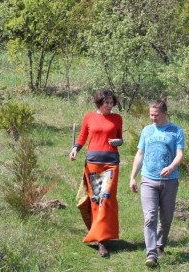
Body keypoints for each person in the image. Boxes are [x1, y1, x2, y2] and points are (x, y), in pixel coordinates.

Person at [129, 99, 185, 268]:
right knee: (150, 216)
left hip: (170, 181)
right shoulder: (147, 131)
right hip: (148, 179)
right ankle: (151, 253)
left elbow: (180, 154)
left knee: (166, 218)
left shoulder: (176, 131)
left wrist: (171, 166)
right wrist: (133, 176)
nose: (153, 117)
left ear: (165, 114)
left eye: (156, 115)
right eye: (151, 114)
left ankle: (160, 245)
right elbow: (140, 154)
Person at [69, 89, 123, 257]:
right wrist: (75, 149)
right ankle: (100, 241)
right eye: (106, 102)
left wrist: (118, 141)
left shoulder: (117, 118)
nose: (109, 105)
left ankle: (103, 234)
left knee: (106, 198)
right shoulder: (89, 117)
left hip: (111, 164)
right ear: (99, 103)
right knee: (95, 199)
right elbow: (82, 137)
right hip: (93, 164)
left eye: (111, 102)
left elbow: (120, 138)